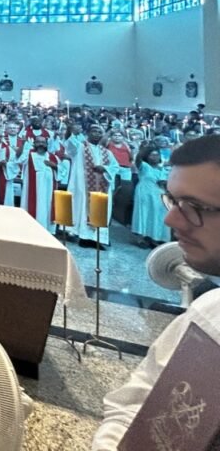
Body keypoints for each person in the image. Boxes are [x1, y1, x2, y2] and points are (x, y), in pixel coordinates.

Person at [93, 136, 220, 449]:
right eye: (173, 201)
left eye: (194, 207)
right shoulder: (208, 315)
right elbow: (135, 405)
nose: (170, 219)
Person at [67, 123, 119, 246]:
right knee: (83, 208)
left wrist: (105, 168)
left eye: (100, 132)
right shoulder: (80, 147)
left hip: (102, 186)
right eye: (94, 131)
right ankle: (83, 237)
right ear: (88, 134)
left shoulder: (106, 152)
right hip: (83, 186)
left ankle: (97, 239)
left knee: (100, 209)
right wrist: (73, 132)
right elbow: (70, 145)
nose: (97, 134)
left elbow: (115, 166)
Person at [130, 146, 170, 247]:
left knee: (157, 216)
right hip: (145, 192)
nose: (155, 157)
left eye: (157, 155)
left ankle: (154, 238)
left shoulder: (163, 169)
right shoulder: (144, 166)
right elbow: (138, 159)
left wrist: (165, 182)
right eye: (152, 155)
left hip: (159, 194)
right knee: (144, 214)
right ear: (147, 156)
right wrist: (144, 148)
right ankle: (141, 238)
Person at [19, 136, 59, 230]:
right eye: (38, 142)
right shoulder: (28, 154)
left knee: (46, 206)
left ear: (47, 144)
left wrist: (54, 166)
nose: (41, 144)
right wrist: (23, 145)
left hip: (48, 189)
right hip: (32, 188)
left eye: (43, 142)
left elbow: (62, 171)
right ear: (34, 144)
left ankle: (46, 229)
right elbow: (18, 160)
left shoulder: (52, 157)